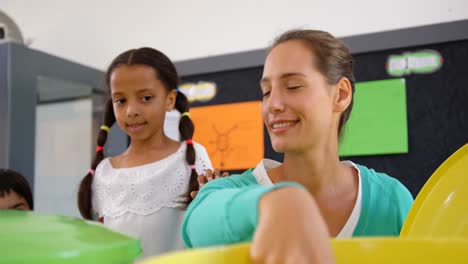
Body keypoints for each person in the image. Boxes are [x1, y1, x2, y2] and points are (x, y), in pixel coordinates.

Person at [182, 29, 414, 263]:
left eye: (293, 86)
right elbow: (197, 223)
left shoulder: (392, 200)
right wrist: (274, 203)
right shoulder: (230, 192)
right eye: (266, 92)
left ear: (341, 95)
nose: (272, 105)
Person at [77, 47, 213, 257]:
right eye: (121, 100)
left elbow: (208, 236)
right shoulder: (104, 172)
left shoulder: (193, 157)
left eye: (146, 98)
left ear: (170, 100)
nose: (131, 111)